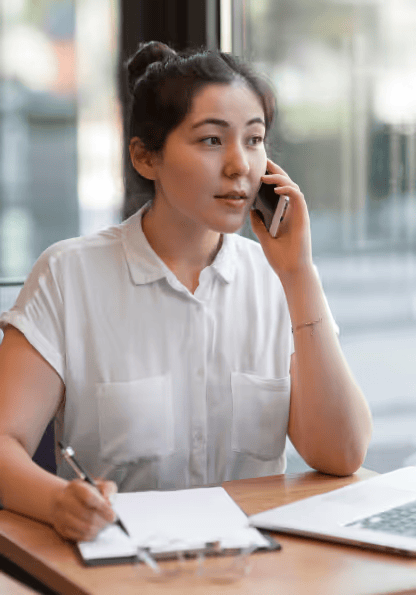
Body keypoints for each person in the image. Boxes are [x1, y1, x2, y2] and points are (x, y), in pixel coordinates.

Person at [0, 41, 372, 542]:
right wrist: (55, 502)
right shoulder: (69, 275)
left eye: (255, 139)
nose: (241, 165)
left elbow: (341, 453)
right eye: (212, 141)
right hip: (126, 569)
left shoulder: (277, 279)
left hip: (259, 571)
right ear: (145, 157)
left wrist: (299, 274)